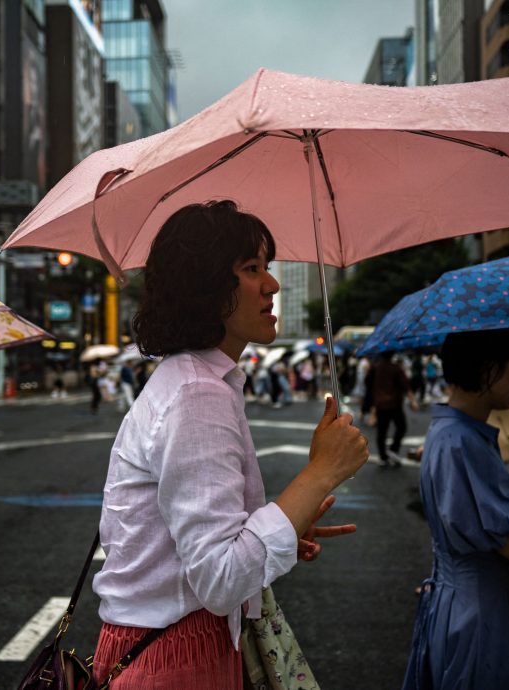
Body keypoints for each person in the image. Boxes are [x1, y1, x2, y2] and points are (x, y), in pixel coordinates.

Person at [89, 200, 369, 688]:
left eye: (268, 267)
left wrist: (284, 522)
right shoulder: (197, 393)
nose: (272, 284)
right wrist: (322, 471)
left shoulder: (195, 380)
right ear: (206, 285)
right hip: (176, 656)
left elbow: (199, 544)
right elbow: (220, 578)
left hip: (166, 644)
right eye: (251, 268)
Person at [403, 327, 509, 690]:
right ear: (487, 368)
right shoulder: (461, 441)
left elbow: (500, 510)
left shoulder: (459, 432)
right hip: (480, 612)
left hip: (468, 602)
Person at [362, 351, 418, 467]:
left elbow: (367, 383)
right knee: (401, 427)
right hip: (395, 403)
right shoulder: (396, 368)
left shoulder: (375, 368)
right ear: (392, 354)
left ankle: (383, 456)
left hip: (380, 404)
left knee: (382, 431)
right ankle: (393, 449)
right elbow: (406, 385)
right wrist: (412, 400)